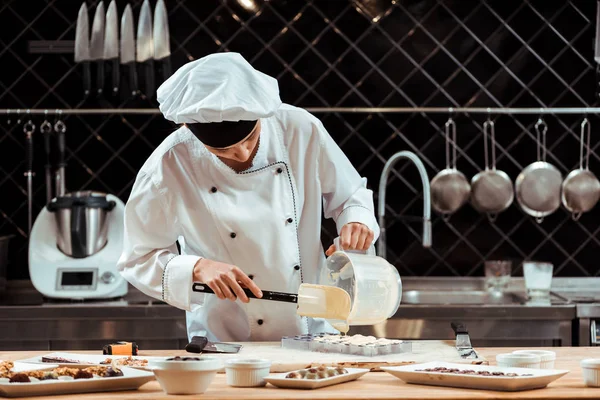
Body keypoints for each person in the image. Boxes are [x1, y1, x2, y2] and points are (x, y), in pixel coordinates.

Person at [117, 52, 380, 342]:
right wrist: (196, 268)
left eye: (249, 138)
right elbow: (137, 258)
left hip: (315, 330)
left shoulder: (299, 129)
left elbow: (350, 194)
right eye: (224, 151)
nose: (242, 153)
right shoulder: (168, 167)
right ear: (187, 128)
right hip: (226, 339)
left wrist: (356, 220)